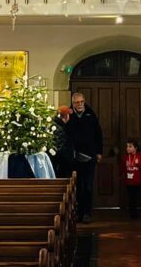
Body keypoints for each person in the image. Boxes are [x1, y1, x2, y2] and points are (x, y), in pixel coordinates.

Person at [65, 92, 103, 222]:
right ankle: (78, 213)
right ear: (73, 103)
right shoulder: (69, 115)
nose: (80, 104)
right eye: (77, 102)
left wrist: (99, 152)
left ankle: (87, 212)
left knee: (88, 185)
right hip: (74, 157)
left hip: (90, 156)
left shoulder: (90, 115)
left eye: (82, 102)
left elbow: (98, 134)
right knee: (77, 186)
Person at [123, 140, 141, 219]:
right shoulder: (125, 157)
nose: (127, 148)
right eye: (127, 146)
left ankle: (138, 214)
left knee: (137, 198)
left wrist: (138, 164)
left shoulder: (140, 157)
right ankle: (132, 215)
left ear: (136, 148)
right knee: (130, 198)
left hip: (138, 181)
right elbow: (122, 168)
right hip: (128, 181)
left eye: (130, 146)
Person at [51, 106, 74, 178]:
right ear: (67, 116)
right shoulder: (60, 129)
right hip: (61, 166)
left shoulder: (55, 126)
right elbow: (61, 149)